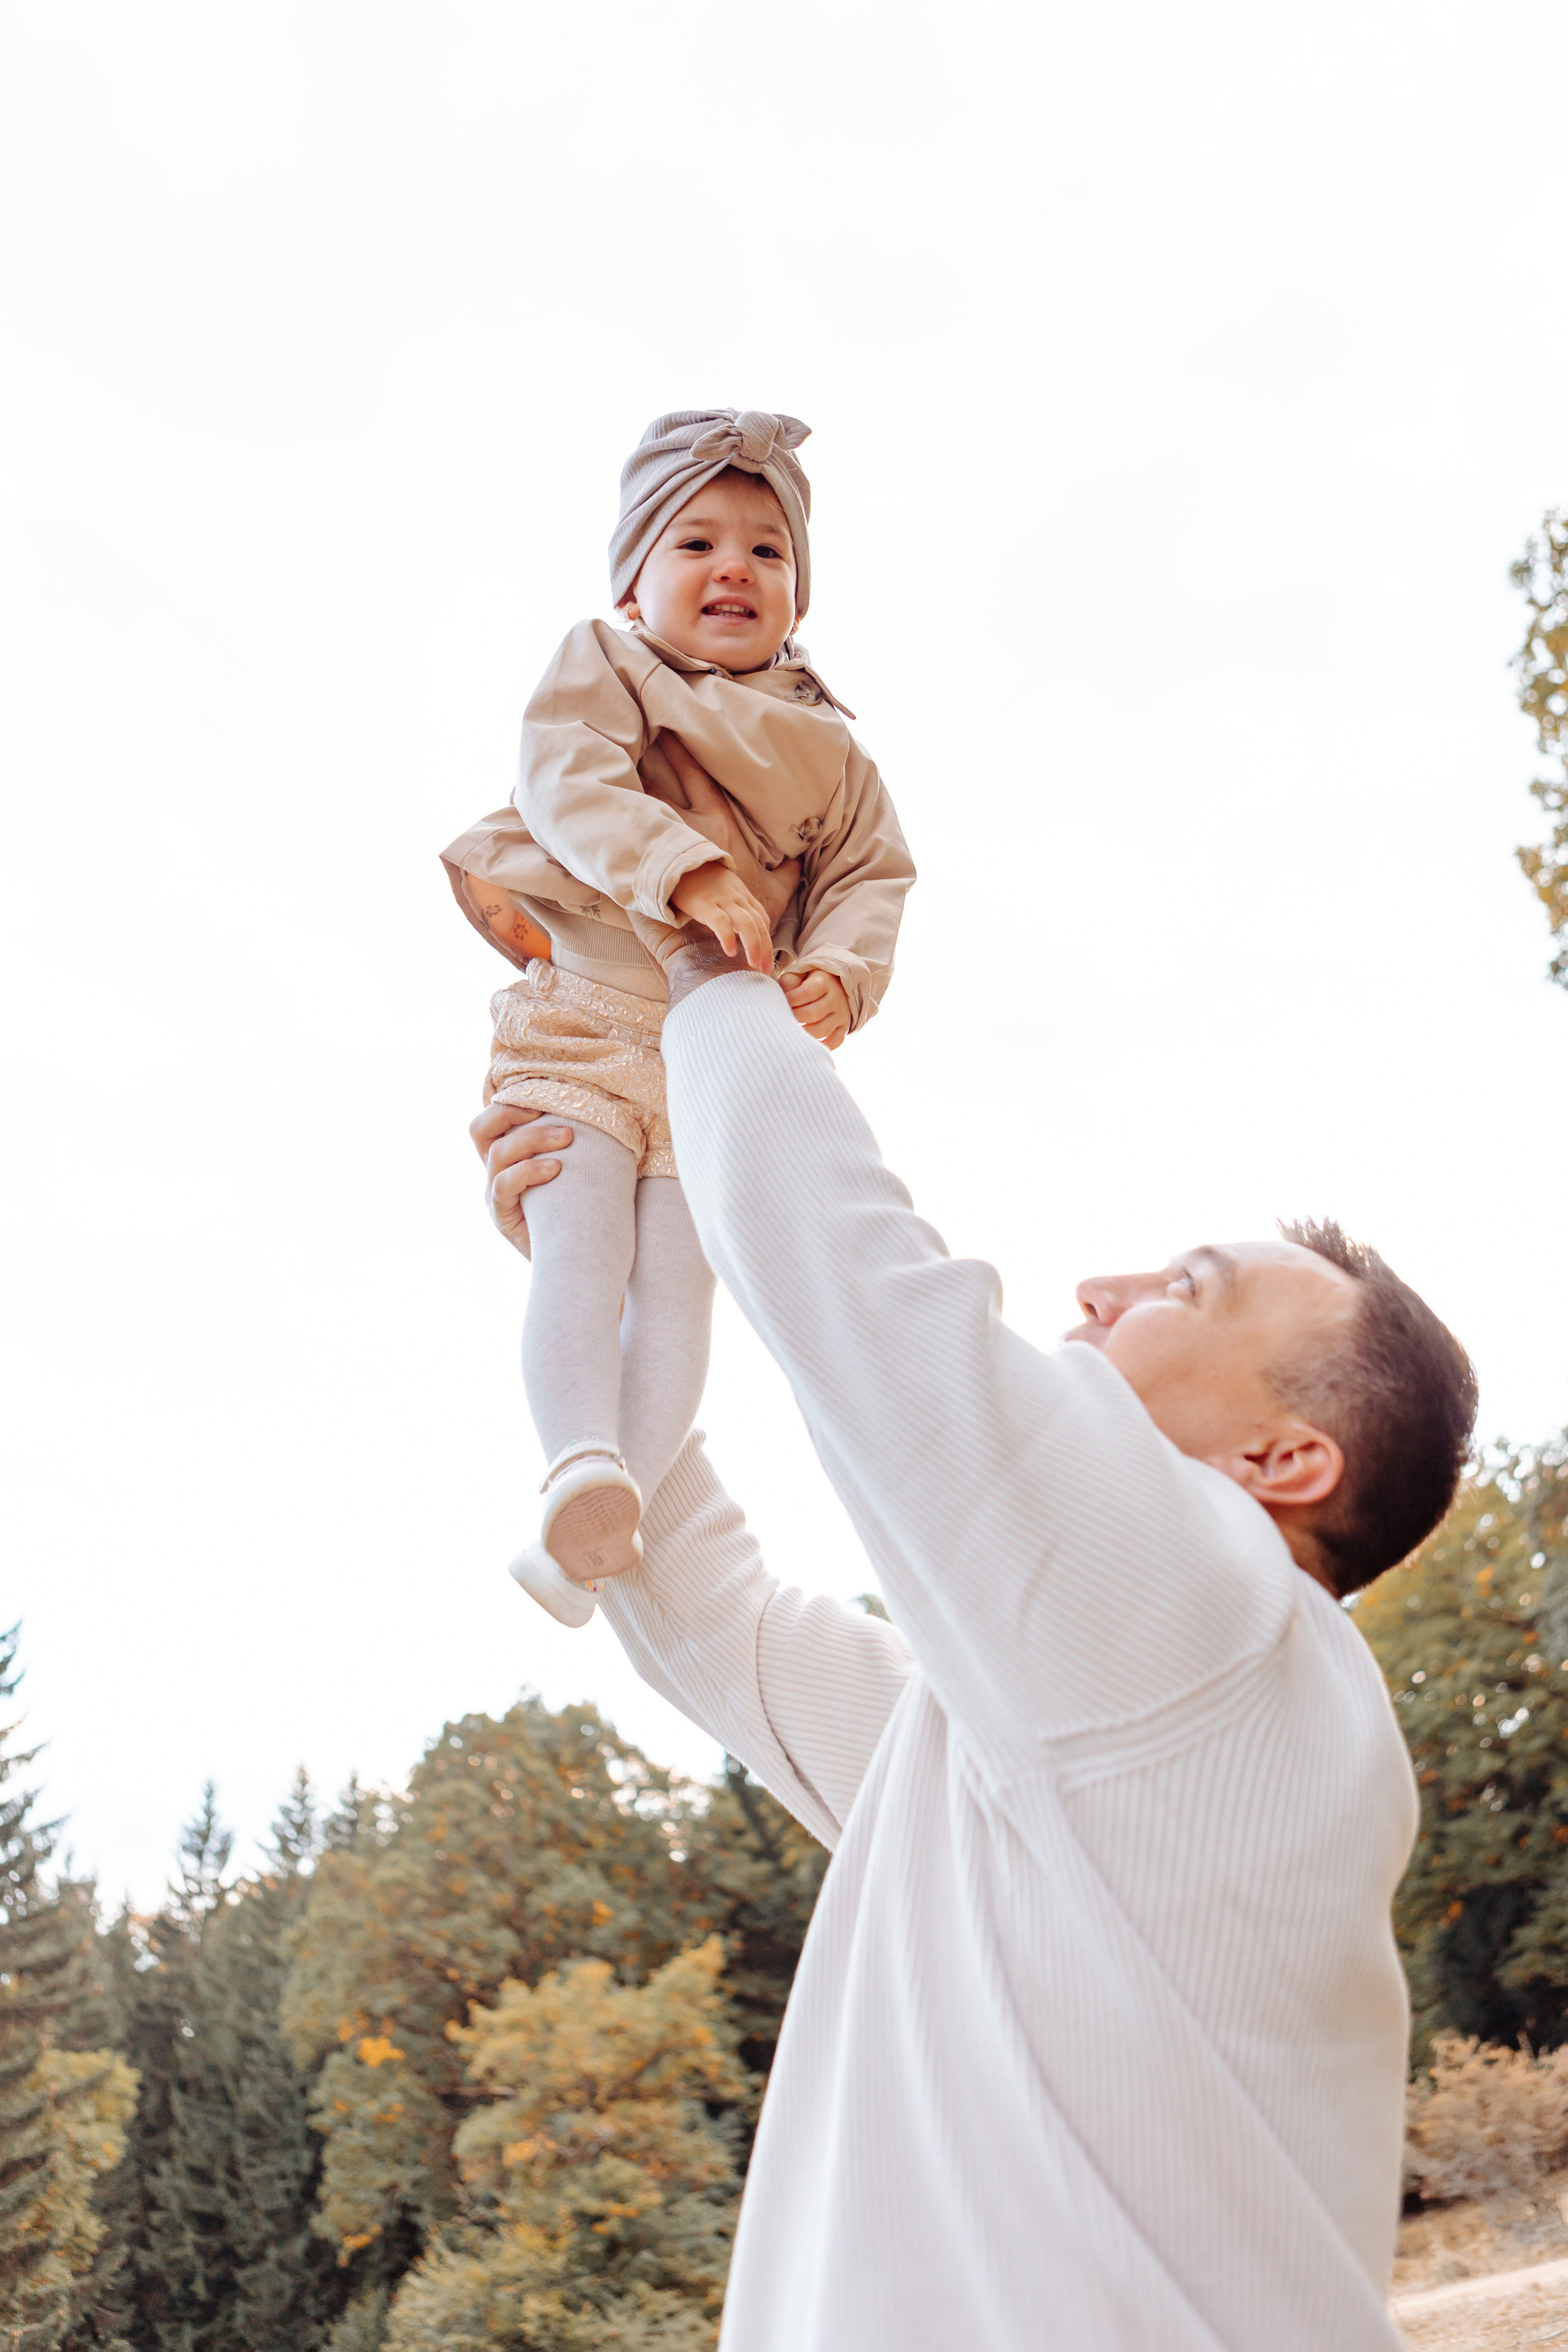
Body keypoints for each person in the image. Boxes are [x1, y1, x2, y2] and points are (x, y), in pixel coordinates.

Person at [468, 889, 1476, 2349]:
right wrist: (611, 1248)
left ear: (1280, 1465)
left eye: (1182, 1288)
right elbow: (710, 1616)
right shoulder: (1091, 1736)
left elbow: (854, 1281)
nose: (1103, 1287)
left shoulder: (1221, 1611)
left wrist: (698, 935)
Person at [440, 407, 913, 1623]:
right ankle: (577, 1457)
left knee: (681, 1285)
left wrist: (839, 974)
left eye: (766, 552)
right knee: (582, 1248)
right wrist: (685, 868)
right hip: (590, 1013)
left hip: (716, 1056)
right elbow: (569, 777)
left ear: (797, 596)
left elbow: (869, 877)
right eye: (695, 542)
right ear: (634, 578)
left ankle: (604, 1519)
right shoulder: (606, 666)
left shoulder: (832, 753)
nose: (733, 570)